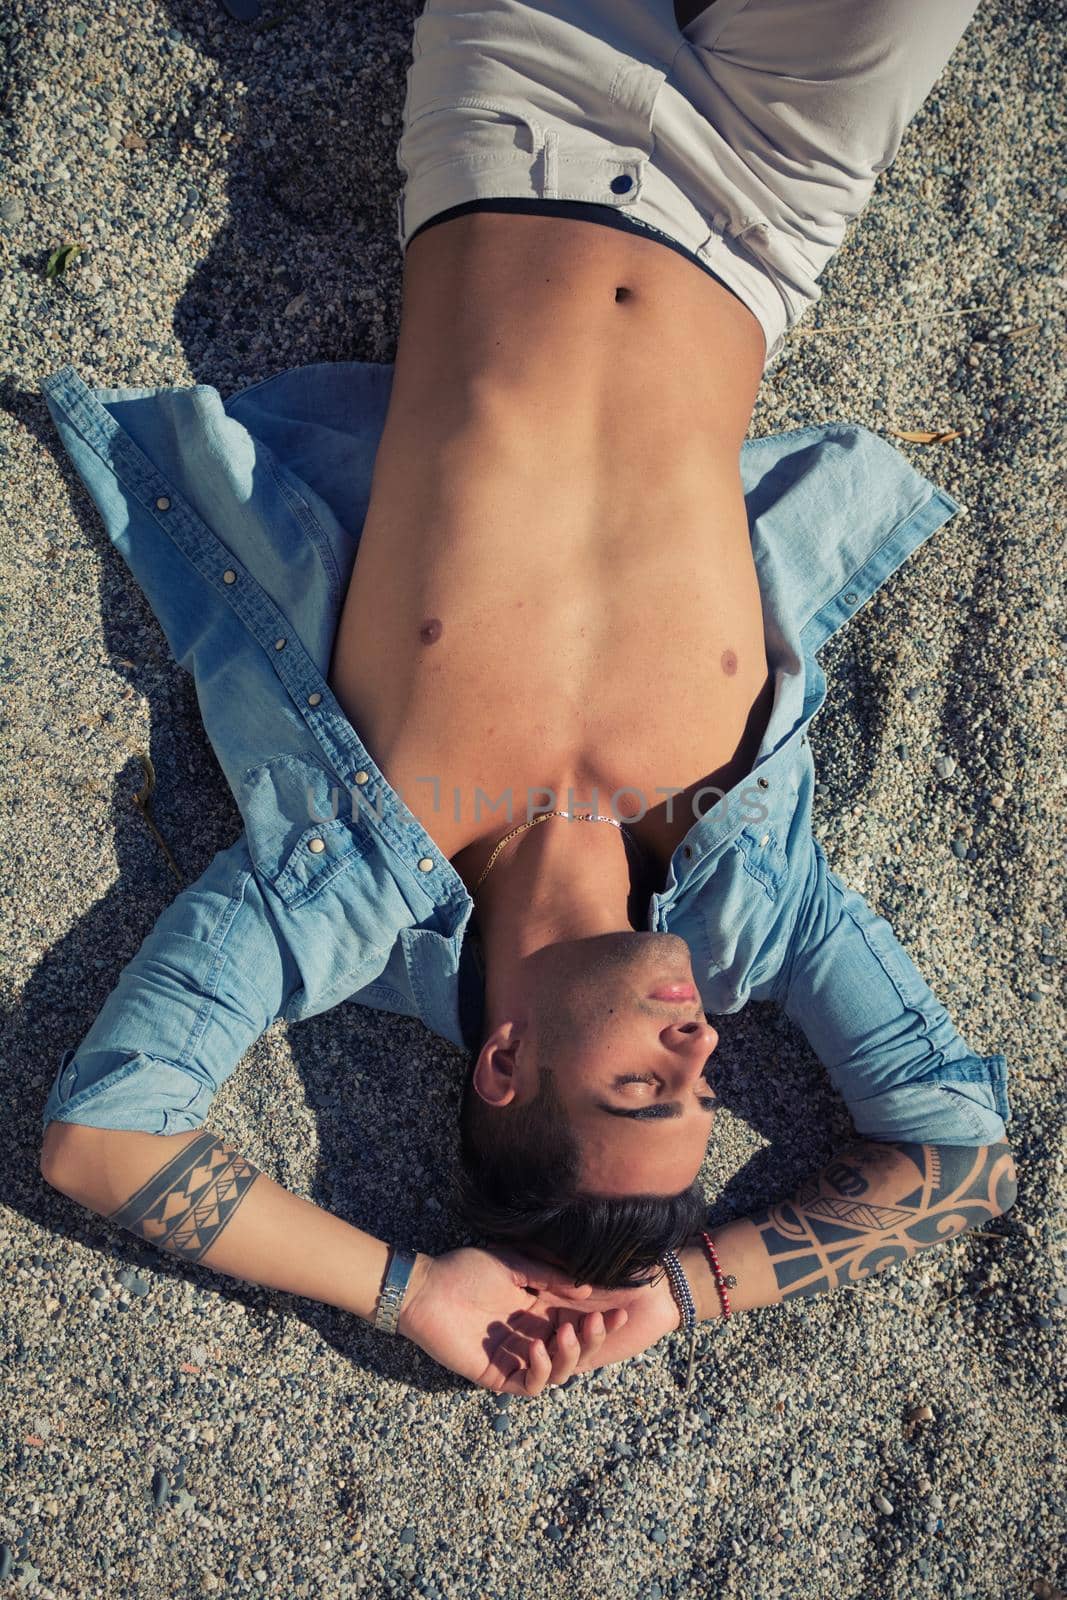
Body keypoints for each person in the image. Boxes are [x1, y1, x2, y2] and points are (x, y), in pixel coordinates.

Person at [38, 0, 1017, 1398]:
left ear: (504, 1062)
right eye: (704, 1091)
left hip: (519, 126)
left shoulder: (343, 886)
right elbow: (962, 1158)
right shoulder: (760, 904)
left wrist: (407, 1291)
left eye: (644, 1085)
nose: (704, 1046)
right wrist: (679, 1300)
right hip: (770, 214)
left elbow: (103, 1137)